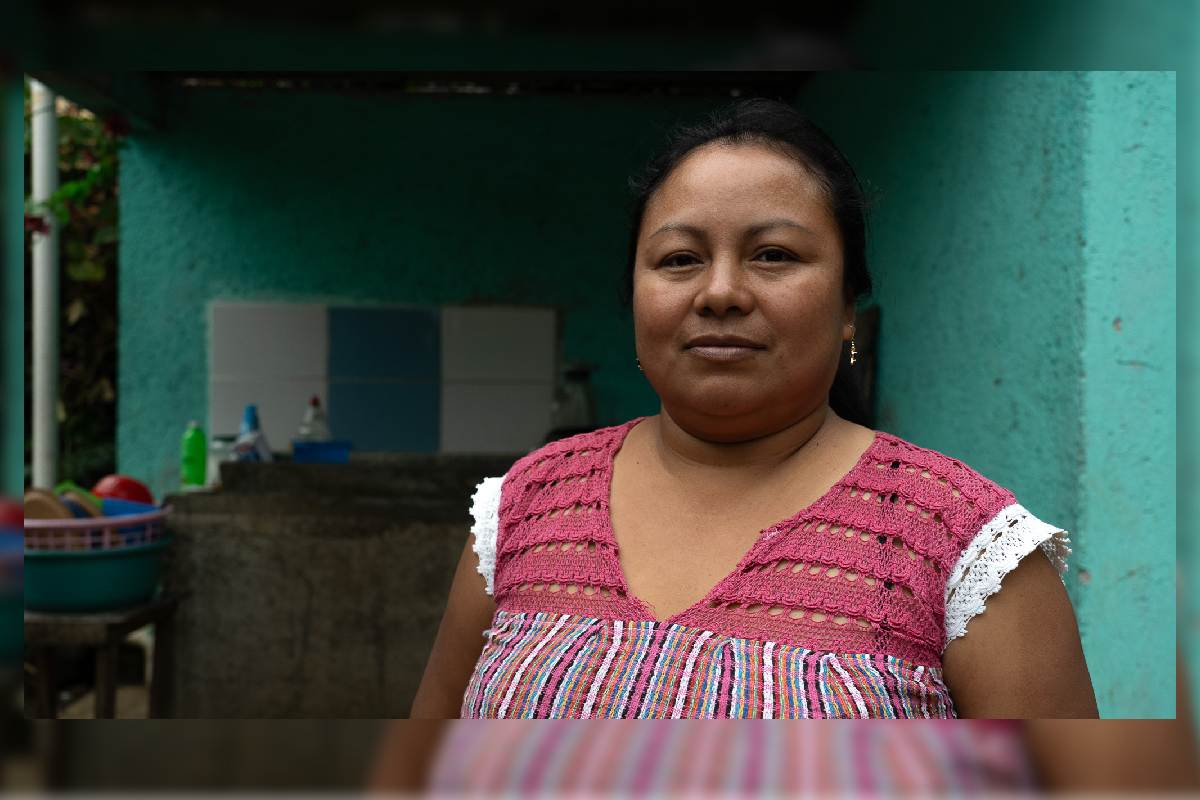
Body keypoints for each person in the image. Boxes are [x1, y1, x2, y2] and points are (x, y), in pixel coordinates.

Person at [408, 97, 1096, 720]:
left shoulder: (962, 547)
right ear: (636, 297)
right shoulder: (526, 506)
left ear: (848, 308)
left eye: (773, 254)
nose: (720, 292)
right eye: (679, 259)